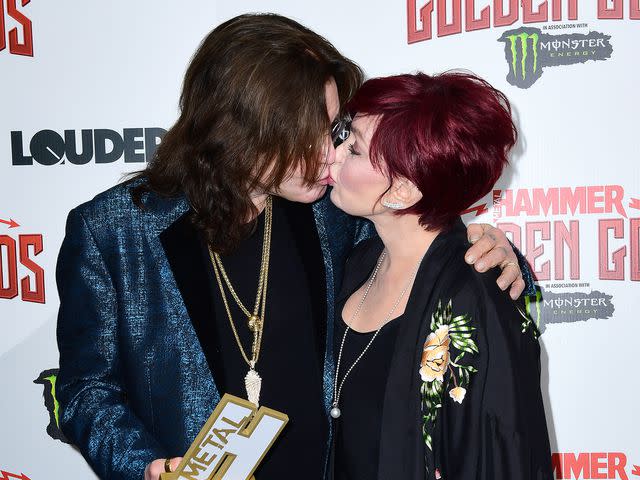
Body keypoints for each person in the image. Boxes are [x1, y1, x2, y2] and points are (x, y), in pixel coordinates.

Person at [55, 14, 531, 480]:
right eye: (312, 132)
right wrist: (145, 465)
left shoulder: (332, 213)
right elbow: (85, 389)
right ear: (244, 131)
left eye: (336, 129)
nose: (331, 152)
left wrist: (499, 257)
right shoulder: (112, 232)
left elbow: (428, 261)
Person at [328, 71, 552, 479]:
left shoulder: (473, 295)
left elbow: (502, 456)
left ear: (403, 192)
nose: (333, 153)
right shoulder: (356, 258)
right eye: (343, 135)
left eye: (354, 149)